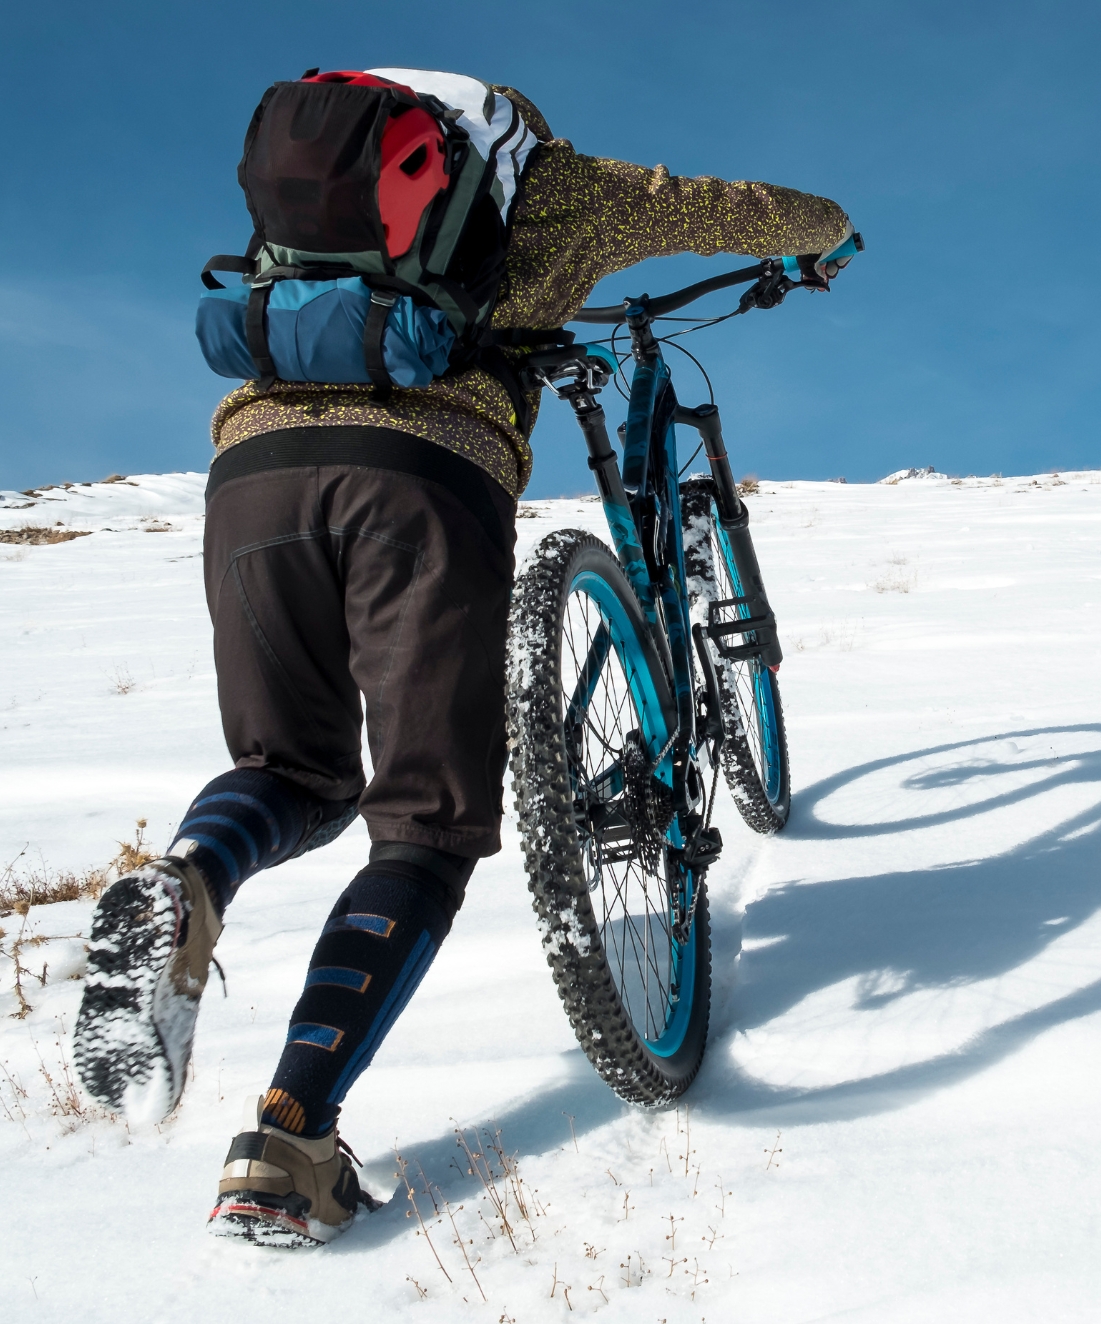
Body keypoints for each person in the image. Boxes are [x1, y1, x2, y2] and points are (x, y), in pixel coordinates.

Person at [71, 72, 854, 1248]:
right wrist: (825, 236)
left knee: (292, 768)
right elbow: (742, 209)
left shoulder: (311, 210)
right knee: (424, 829)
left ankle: (186, 879)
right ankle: (289, 1137)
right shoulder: (557, 188)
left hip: (253, 473)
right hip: (423, 479)